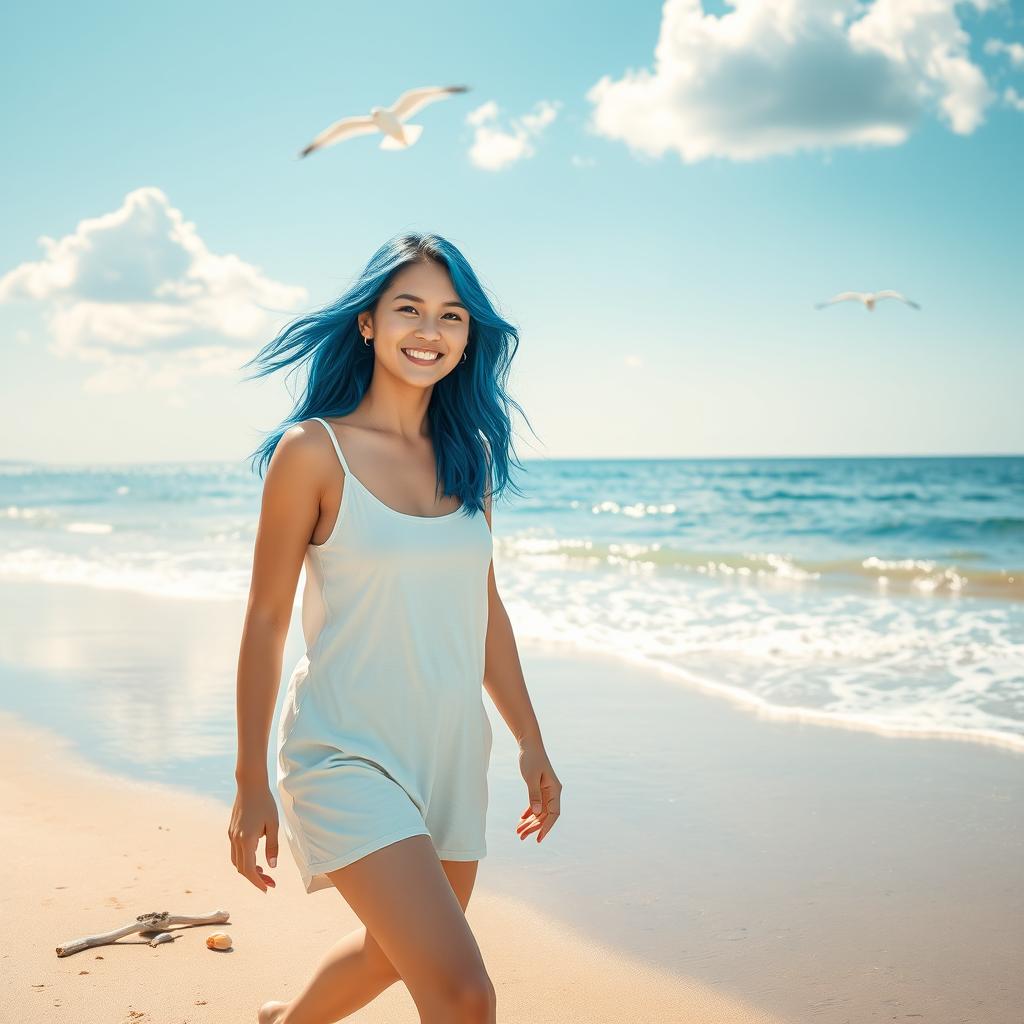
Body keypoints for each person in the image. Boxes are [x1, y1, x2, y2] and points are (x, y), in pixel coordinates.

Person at [228, 232, 563, 1024]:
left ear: (468, 336)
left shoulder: (468, 458)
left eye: (451, 316)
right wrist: (248, 780)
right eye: (408, 308)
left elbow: (485, 612)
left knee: (392, 951)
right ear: (369, 323)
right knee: (463, 994)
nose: (430, 330)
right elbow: (266, 619)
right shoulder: (313, 452)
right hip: (344, 748)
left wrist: (530, 739)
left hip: (451, 750)